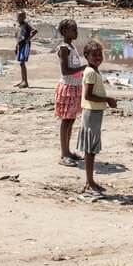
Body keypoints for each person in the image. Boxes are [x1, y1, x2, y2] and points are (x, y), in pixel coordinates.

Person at [79, 41, 117, 194]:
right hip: (91, 113)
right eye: (94, 55)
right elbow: (88, 95)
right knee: (90, 149)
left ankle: (90, 181)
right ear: (86, 56)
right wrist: (107, 100)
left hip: (94, 113)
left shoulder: (93, 71)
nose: (97, 58)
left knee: (91, 149)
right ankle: (89, 181)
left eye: (99, 55)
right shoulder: (90, 72)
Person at [54, 18, 86, 166]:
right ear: (65, 31)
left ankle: (68, 151)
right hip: (67, 87)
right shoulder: (63, 48)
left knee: (71, 119)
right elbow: (65, 71)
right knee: (66, 121)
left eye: (76, 29)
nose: (76, 31)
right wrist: (84, 68)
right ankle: (64, 154)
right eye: (73, 29)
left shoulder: (71, 45)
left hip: (75, 87)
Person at [14, 11, 37, 88]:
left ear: (24, 17)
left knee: (22, 62)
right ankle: (22, 80)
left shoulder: (26, 24)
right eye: (18, 16)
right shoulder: (18, 26)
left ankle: (25, 81)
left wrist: (28, 39)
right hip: (20, 45)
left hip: (25, 45)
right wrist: (16, 46)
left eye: (21, 16)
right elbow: (17, 38)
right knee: (21, 63)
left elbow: (35, 31)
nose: (19, 18)